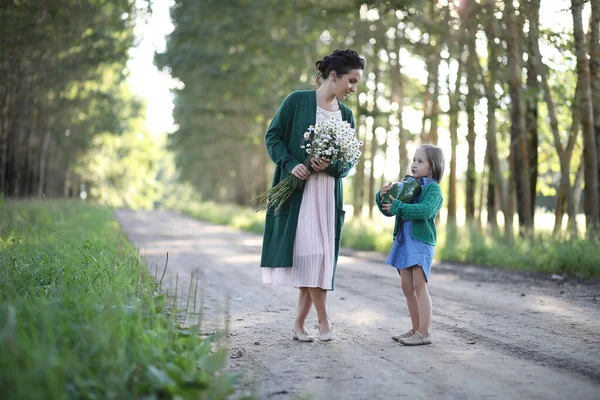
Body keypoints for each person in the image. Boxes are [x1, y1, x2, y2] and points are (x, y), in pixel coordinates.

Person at [260, 49, 365, 342]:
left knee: (318, 260)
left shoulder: (346, 115)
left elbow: (347, 164)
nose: (353, 89)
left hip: (328, 195)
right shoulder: (297, 101)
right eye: (351, 81)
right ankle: (324, 322)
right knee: (312, 255)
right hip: (299, 195)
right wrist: (292, 164)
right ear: (333, 76)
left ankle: (299, 325)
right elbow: (273, 136)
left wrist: (331, 165)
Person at [376, 144, 445, 346]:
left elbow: (425, 210)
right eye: (414, 160)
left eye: (420, 161)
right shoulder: (408, 185)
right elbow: (390, 210)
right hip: (404, 240)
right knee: (407, 287)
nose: (414, 165)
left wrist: (400, 206)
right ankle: (415, 329)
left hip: (421, 242)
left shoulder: (433, 189)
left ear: (432, 168)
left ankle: (424, 333)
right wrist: (381, 197)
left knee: (418, 286)